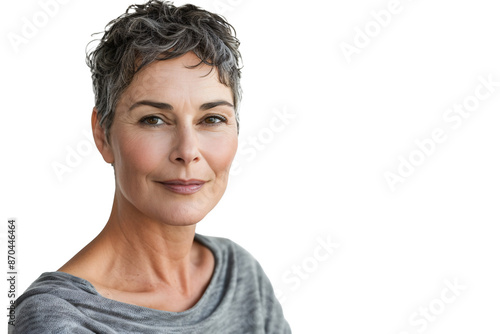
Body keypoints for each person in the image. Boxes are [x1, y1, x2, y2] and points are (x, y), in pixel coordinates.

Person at [9, 1, 291, 333]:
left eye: (212, 118)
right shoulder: (60, 319)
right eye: (154, 119)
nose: (187, 151)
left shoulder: (241, 276)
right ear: (103, 134)